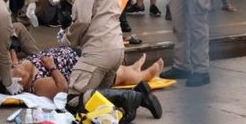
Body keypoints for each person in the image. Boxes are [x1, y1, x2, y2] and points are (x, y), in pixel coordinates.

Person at [11, 47, 164, 100]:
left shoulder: (22, 64)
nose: (16, 67)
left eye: (14, 66)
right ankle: (141, 76)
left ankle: (133, 68)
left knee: (116, 64)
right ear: (21, 84)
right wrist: (52, 67)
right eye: (17, 76)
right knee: (118, 73)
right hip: (85, 69)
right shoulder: (36, 83)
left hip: (80, 54)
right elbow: (62, 88)